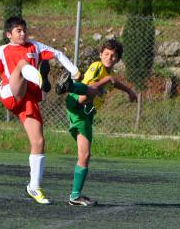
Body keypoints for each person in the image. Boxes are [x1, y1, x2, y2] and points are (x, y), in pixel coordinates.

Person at [0, 16, 87, 205]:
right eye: (18, 31)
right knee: (22, 65)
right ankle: (40, 80)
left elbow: (57, 53)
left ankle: (34, 187)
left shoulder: (35, 46)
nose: (23, 33)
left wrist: (74, 71)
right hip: (10, 94)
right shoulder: (3, 50)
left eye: (24, 30)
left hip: (28, 100)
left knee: (39, 142)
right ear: (9, 35)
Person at [57, 39, 137, 206]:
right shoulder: (97, 66)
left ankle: (75, 196)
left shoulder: (107, 74)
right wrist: (106, 80)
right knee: (91, 90)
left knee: (84, 155)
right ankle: (70, 86)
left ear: (118, 59)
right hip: (78, 104)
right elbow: (91, 86)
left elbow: (114, 83)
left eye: (113, 56)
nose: (109, 57)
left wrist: (128, 90)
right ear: (100, 55)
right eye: (106, 54)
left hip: (84, 114)